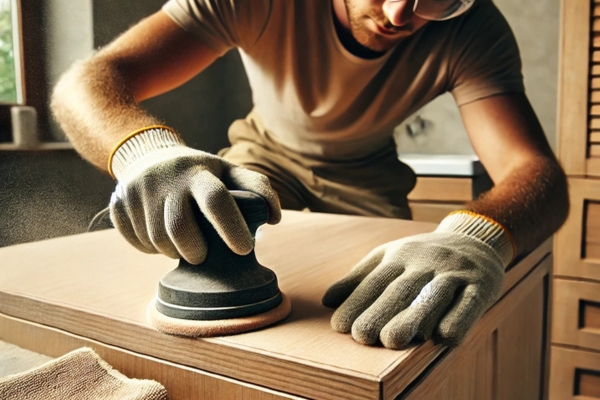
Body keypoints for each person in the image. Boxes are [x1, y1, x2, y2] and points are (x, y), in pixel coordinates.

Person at [50, 0, 569, 350]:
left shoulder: (474, 29)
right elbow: (87, 82)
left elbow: (532, 170)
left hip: (369, 183)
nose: (399, 13)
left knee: (385, 332)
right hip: (262, 162)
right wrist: (145, 153)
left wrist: (475, 238)